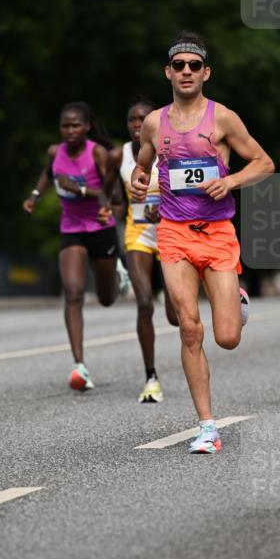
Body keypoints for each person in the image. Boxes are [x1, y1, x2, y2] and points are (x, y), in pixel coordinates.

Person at [131, 31, 274, 453]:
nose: (187, 72)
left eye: (195, 66)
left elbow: (264, 163)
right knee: (189, 327)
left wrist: (229, 181)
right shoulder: (155, 122)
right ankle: (207, 427)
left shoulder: (223, 118)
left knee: (226, 337)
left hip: (217, 234)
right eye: (179, 66)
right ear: (168, 72)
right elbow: (143, 166)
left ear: (206, 72)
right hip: (173, 233)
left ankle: (237, 299)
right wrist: (139, 183)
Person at [23, 101, 129, 391]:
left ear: (87, 127)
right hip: (71, 229)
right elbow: (49, 174)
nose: (69, 130)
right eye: (65, 126)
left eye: (75, 125)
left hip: (101, 229)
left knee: (106, 298)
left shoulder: (98, 153)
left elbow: (116, 196)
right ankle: (79, 366)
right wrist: (35, 195)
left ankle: (119, 273)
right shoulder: (54, 152)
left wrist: (80, 189)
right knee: (73, 293)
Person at [105, 95, 179, 403]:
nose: (138, 125)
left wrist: (162, 210)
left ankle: (176, 298)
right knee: (144, 303)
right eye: (132, 120)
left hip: (172, 231)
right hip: (138, 234)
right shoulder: (117, 155)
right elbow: (112, 192)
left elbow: (187, 196)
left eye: (143, 119)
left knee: (176, 317)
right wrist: (111, 207)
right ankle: (151, 377)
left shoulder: (171, 151)